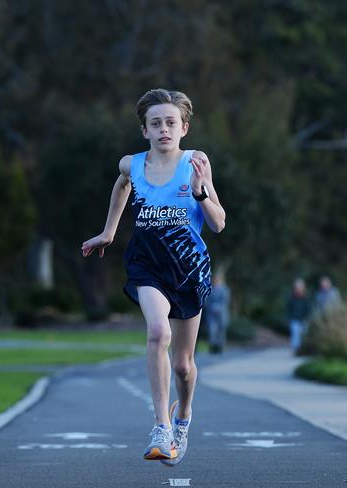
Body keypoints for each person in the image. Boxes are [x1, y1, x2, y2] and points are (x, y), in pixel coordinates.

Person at [81, 88, 225, 466]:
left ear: (184, 127)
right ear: (144, 130)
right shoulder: (132, 163)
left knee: (183, 364)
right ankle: (160, 425)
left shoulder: (196, 162)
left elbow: (219, 223)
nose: (164, 129)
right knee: (157, 332)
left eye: (170, 123)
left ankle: (183, 416)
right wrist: (109, 231)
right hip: (147, 265)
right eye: (155, 123)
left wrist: (199, 194)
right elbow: (121, 184)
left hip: (189, 269)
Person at [203, 271, 231, 354]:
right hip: (211, 314)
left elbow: (225, 301)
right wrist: (211, 307)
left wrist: (218, 308)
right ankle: (212, 347)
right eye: (215, 279)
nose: (216, 280)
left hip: (221, 314)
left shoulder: (225, 290)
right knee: (212, 330)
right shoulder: (210, 289)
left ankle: (220, 347)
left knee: (221, 331)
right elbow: (206, 301)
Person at [286, 278, 311, 353]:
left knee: (303, 335)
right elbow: (288, 308)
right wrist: (289, 317)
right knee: (295, 335)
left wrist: (308, 317)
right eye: (297, 287)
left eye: (300, 287)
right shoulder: (292, 297)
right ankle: (296, 349)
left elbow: (308, 308)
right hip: (294, 319)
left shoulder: (305, 297)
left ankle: (302, 349)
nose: (298, 289)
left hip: (304, 319)